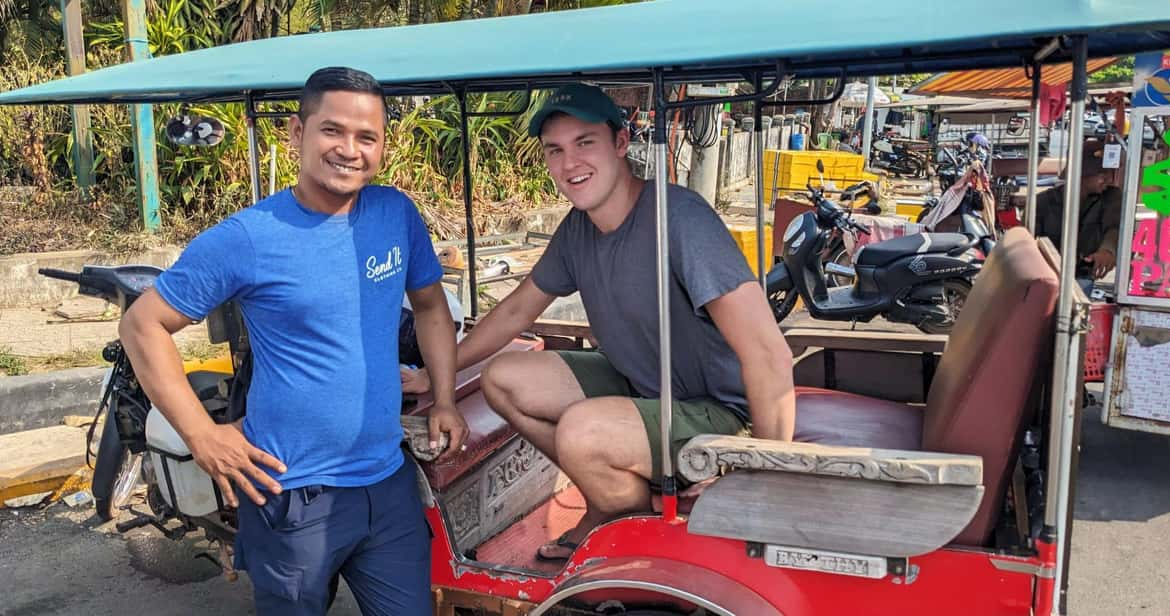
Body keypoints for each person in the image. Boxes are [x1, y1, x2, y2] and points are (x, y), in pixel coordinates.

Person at [119, 67, 469, 616]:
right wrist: (203, 437)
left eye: (366, 137)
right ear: (295, 133)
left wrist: (444, 398)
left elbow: (429, 306)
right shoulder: (249, 238)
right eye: (332, 131)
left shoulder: (394, 213)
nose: (349, 150)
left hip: (387, 482)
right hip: (291, 493)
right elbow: (143, 325)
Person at [402, 83, 797, 562]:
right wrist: (434, 375)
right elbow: (513, 311)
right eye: (555, 150)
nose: (570, 164)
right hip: (644, 387)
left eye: (584, 142)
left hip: (722, 415)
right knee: (504, 379)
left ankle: (633, 523)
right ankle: (616, 503)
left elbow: (767, 352)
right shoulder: (577, 230)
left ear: (621, 143)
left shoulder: (680, 220)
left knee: (582, 431)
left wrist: (759, 474)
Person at [1032, 140, 1122, 292]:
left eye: (1109, 173)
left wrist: (1107, 251)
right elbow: (1028, 242)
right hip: (1046, 280)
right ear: (1083, 174)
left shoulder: (1110, 198)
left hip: (1083, 279)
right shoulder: (1042, 203)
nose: (1108, 179)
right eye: (1102, 174)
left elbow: (1114, 227)